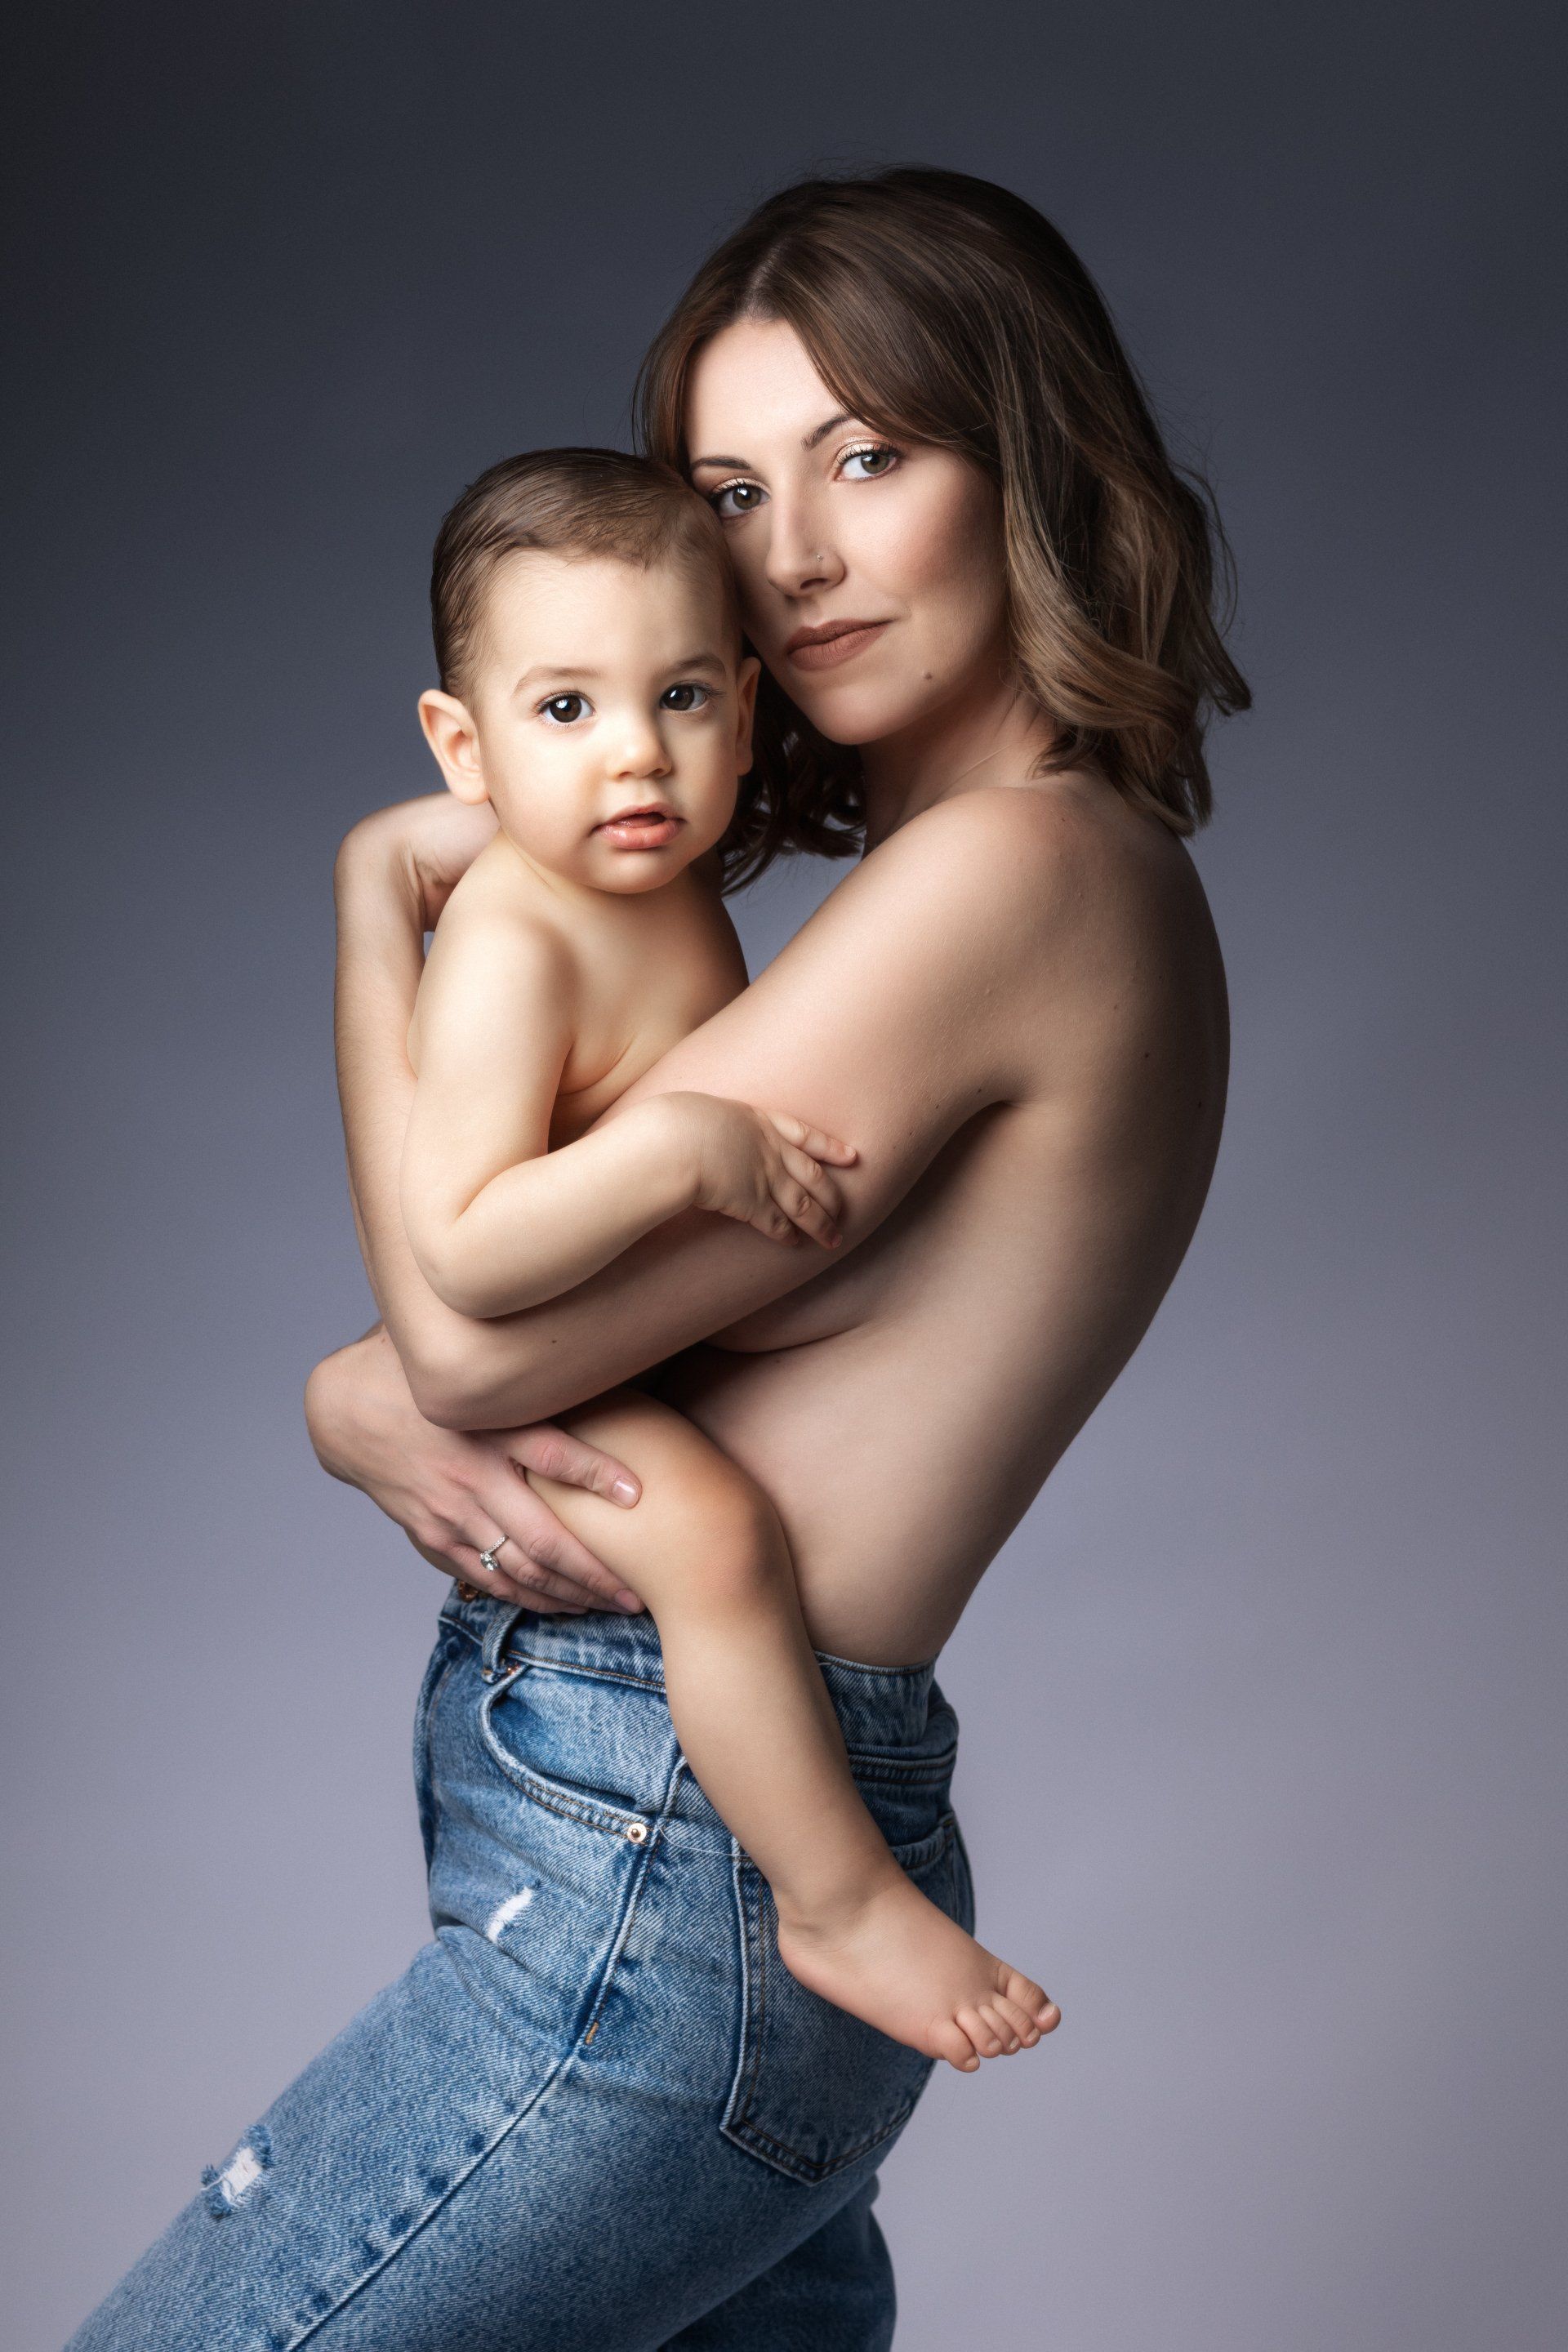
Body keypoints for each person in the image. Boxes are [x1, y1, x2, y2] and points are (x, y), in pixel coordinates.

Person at [67, 165, 1245, 2351]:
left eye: (867, 459)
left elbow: (459, 1339)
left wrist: (369, 920)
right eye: (731, 489)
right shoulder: (1037, 874)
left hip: (676, 1870)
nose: (789, 555)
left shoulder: (1009, 878)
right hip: (700, 1857)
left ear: (1034, 466)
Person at [399, 442, 1054, 2067]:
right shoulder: (514, 935)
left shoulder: (661, 887)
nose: (637, 754)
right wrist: (677, 1152)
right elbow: (462, 1249)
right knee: (711, 1533)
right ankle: (833, 1898)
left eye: (682, 698)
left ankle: (837, 1890)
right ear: (463, 747)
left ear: (748, 715)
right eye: (567, 710)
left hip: (625, 1353)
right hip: (568, 1386)